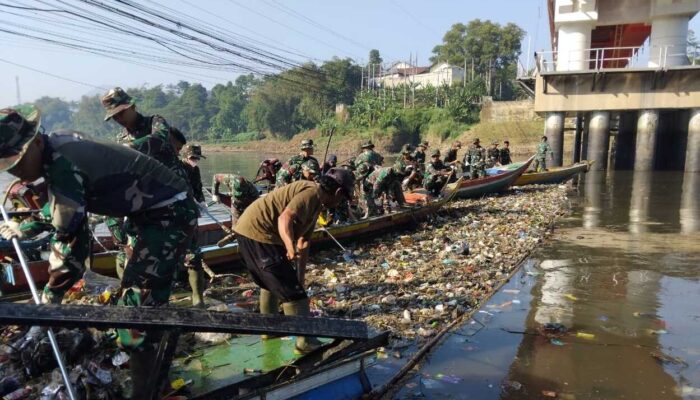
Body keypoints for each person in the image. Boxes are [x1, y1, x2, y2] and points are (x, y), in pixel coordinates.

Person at [0, 106, 197, 395]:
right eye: (9, 167)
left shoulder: (63, 162)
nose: (16, 171)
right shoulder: (55, 149)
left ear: (36, 142)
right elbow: (61, 207)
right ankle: (156, 378)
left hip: (169, 213)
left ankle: (151, 392)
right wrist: (26, 228)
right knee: (137, 305)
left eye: (17, 162)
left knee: (136, 313)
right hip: (145, 213)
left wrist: (49, 300)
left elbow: (71, 248)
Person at [233, 168, 354, 354]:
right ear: (338, 192)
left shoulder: (317, 204)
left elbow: (304, 242)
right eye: (343, 198)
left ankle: (269, 330)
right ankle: (304, 342)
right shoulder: (311, 193)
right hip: (258, 234)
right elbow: (285, 218)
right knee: (294, 296)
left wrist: (300, 278)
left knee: (272, 285)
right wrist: (289, 246)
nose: (340, 203)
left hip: (252, 233)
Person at [180, 143, 207, 307]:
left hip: (190, 216)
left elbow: (198, 188)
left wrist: (201, 202)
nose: (195, 161)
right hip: (173, 216)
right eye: (192, 158)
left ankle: (198, 298)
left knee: (194, 255)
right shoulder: (175, 168)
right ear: (184, 156)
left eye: (197, 158)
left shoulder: (194, 170)